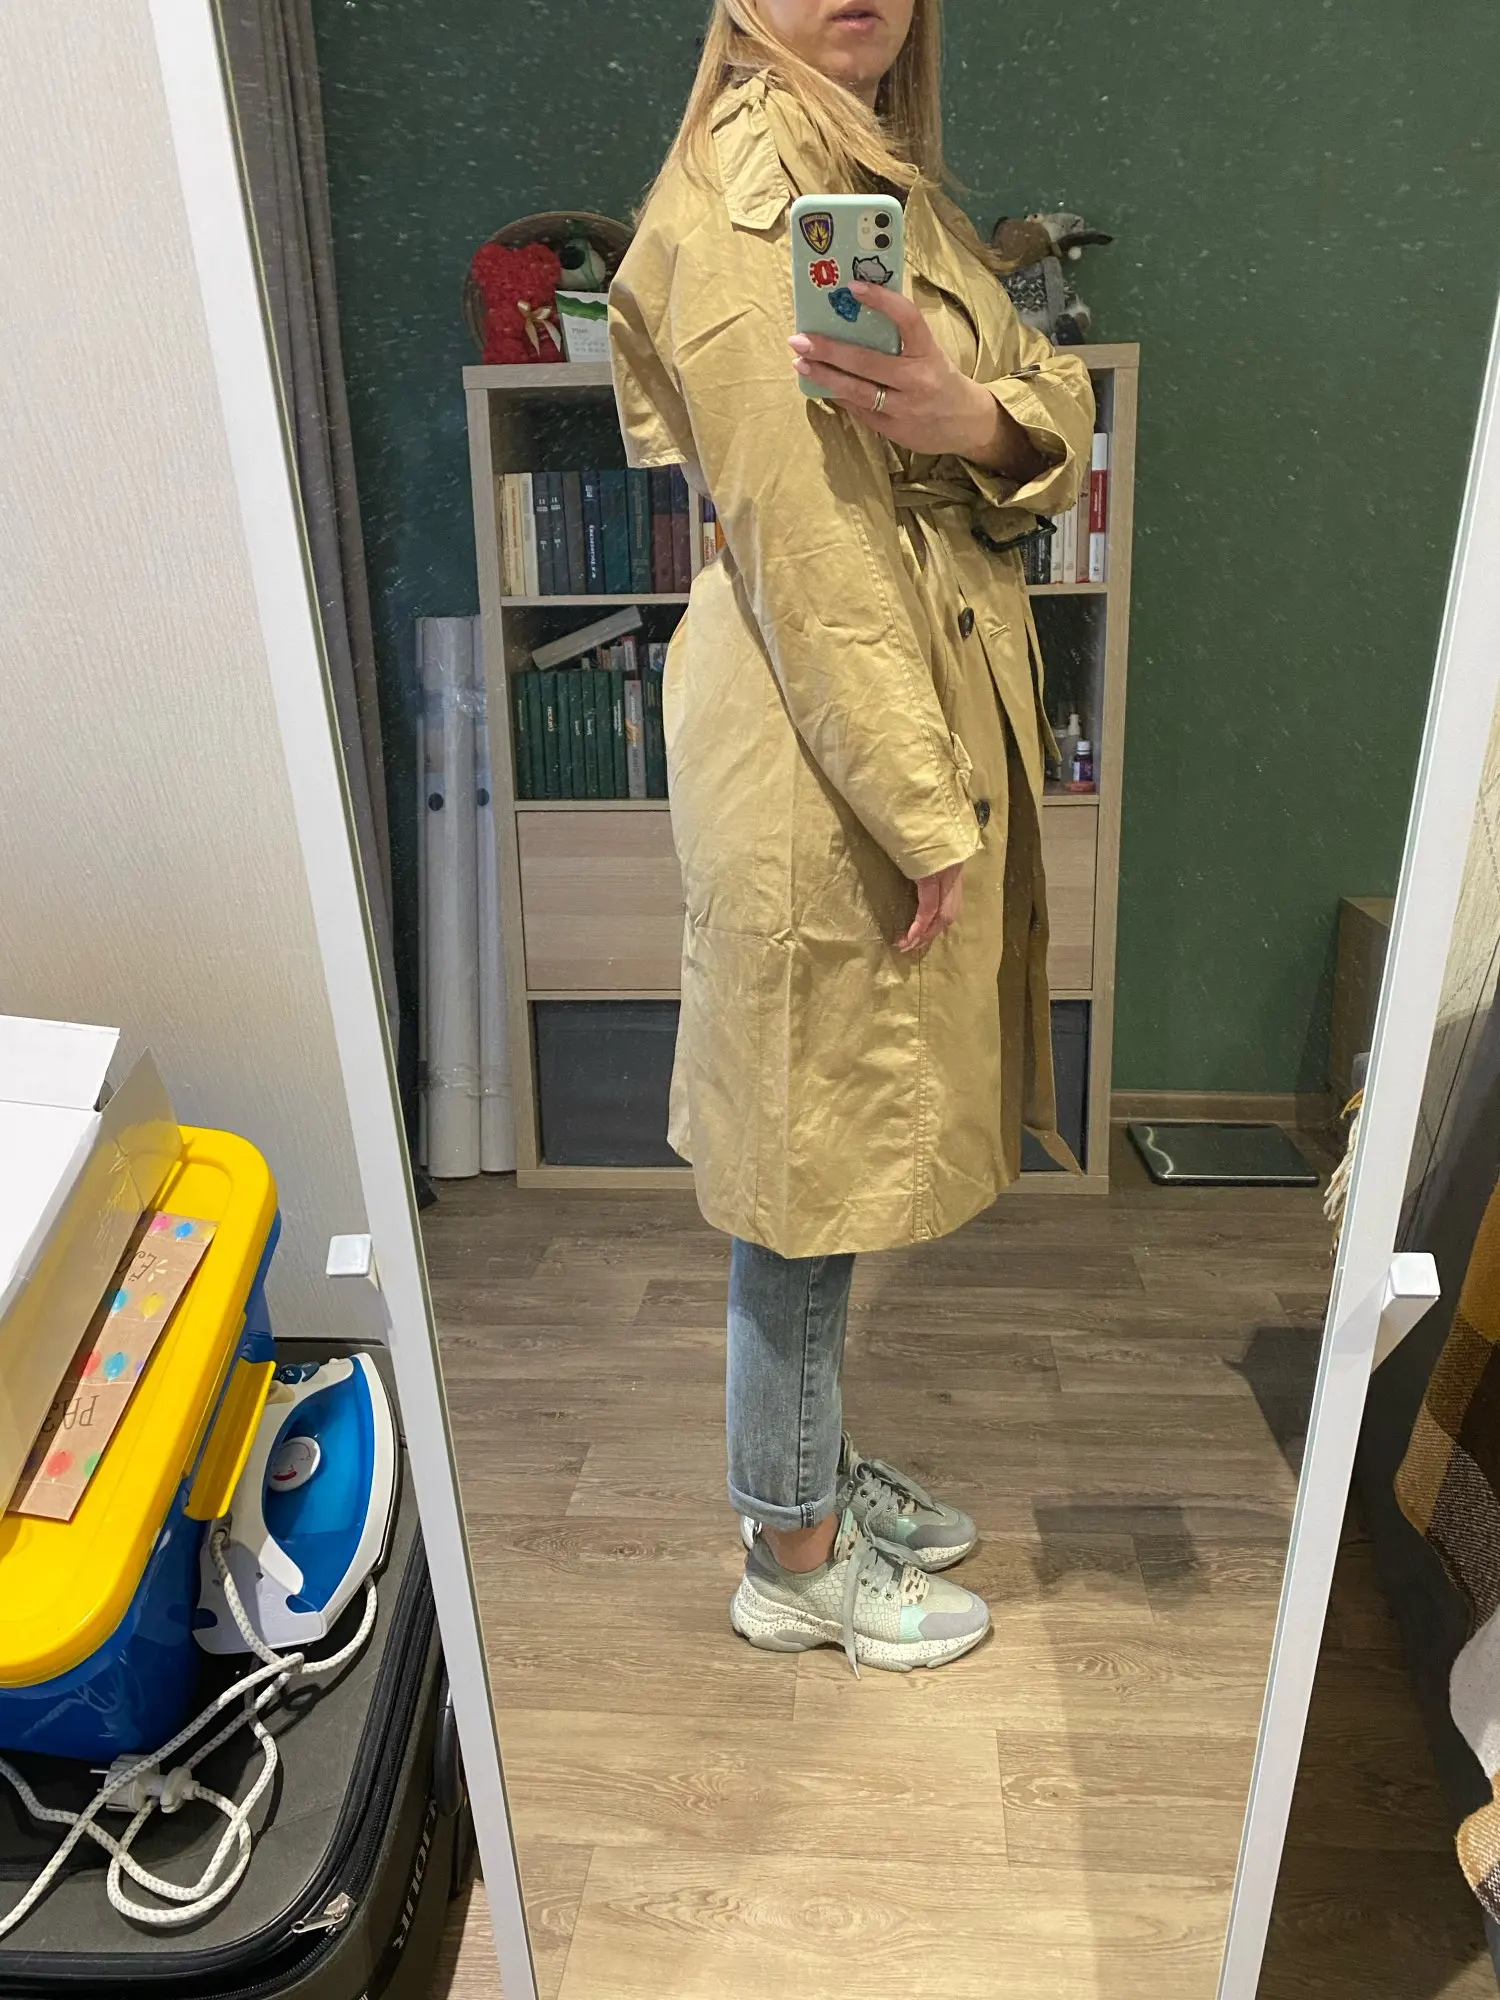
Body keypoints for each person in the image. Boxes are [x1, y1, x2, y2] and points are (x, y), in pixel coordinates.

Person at [609, 0, 1095, 1673]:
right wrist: (921, 808)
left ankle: (807, 1472)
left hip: (884, 719)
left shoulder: (886, 178)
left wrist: (977, 423)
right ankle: (792, 1556)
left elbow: (1044, 389)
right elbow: (804, 542)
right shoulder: (753, 195)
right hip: (826, 749)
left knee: (832, 1158)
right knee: (803, 1179)